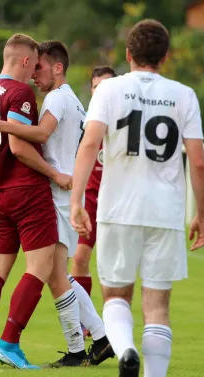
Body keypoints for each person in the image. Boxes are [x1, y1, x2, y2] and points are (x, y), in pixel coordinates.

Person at [70, 19, 204, 377]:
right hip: (165, 213)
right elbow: (197, 161)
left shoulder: (109, 89)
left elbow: (89, 145)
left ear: (128, 54)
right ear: (166, 56)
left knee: (116, 295)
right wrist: (203, 215)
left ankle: (125, 350)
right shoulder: (183, 95)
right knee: (158, 307)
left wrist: (77, 200)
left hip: (117, 209)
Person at [0, 41, 114, 368]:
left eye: (40, 67)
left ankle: (86, 346)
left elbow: (40, 133)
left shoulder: (56, 98)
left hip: (57, 193)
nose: (34, 74)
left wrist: (3, 126)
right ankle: (97, 341)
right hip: (63, 193)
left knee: (56, 275)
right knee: (57, 275)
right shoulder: (75, 102)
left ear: (58, 67)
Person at [0, 33, 63, 370]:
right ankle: (9, 342)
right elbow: (20, 147)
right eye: (35, 64)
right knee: (40, 267)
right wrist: (54, 174)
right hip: (28, 192)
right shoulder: (21, 93)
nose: (36, 71)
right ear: (24, 60)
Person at [70, 66, 117, 301]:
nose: (101, 92)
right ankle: (84, 324)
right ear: (91, 89)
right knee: (79, 258)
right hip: (90, 197)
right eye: (97, 87)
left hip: (118, 198)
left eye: (106, 87)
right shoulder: (84, 122)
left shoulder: (125, 121)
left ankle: (115, 321)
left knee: (113, 266)